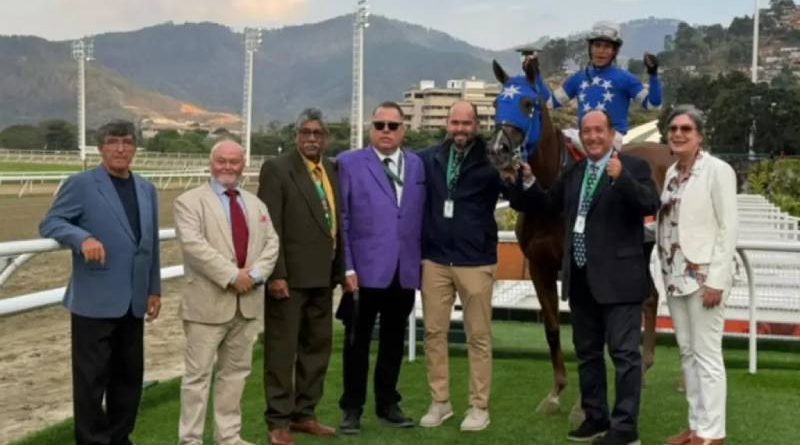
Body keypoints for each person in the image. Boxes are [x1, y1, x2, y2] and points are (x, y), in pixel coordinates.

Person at [509, 110, 660, 445]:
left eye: (598, 130)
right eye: (586, 131)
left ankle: (625, 429)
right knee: (588, 354)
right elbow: (546, 204)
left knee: (624, 355)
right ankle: (595, 418)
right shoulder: (574, 173)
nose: (592, 137)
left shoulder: (633, 167)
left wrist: (622, 178)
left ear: (611, 134)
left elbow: (650, 203)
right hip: (580, 280)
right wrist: (527, 182)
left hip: (620, 281)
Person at [39, 119, 161, 445]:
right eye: (113, 142)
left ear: (135, 147)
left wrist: (154, 289)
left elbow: (150, 245)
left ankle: (120, 438)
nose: (120, 149)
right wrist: (82, 238)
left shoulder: (146, 189)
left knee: (129, 379)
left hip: (134, 301)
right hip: (94, 301)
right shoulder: (80, 184)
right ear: (100, 148)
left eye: (127, 142)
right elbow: (51, 222)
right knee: (91, 382)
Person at [174, 140, 279, 445]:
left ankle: (229, 436)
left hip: (247, 303)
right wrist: (232, 276)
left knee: (235, 374)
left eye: (234, 161)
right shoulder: (188, 202)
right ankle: (190, 439)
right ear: (211, 163)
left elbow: (271, 244)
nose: (228, 167)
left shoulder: (256, 204)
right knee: (197, 377)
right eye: (222, 161)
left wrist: (254, 276)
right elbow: (194, 247)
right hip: (206, 306)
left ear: (243, 165)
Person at [417, 101, 511, 432]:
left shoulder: (492, 159)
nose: (460, 129)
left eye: (466, 123)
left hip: (476, 261)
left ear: (477, 125)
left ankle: (479, 407)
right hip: (435, 260)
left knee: (478, 337)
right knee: (433, 334)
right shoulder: (429, 158)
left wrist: (516, 174)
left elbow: (519, 196)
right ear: (447, 124)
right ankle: (440, 402)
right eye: (455, 123)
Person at [335, 102, 426, 434]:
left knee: (393, 342)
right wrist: (347, 268)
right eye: (379, 125)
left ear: (403, 129)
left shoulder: (416, 165)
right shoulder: (348, 163)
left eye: (392, 125)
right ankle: (352, 408)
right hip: (363, 271)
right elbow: (342, 219)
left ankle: (388, 403)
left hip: (404, 270)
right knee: (356, 343)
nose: (386, 131)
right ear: (370, 128)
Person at [258, 108, 344, 445]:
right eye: (305, 133)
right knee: (282, 352)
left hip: (323, 277)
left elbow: (337, 222)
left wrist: (341, 271)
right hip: (288, 280)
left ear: (326, 138)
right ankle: (278, 421)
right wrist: (276, 275)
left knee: (316, 350)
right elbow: (270, 227)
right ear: (296, 137)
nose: (311, 138)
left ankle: (304, 415)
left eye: (317, 133)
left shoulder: (331, 169)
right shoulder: (277, 169)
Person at [658, 106, 737, 445]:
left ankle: (713, 433)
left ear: (700, 136)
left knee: (707, 355)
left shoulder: (718, 171)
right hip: (674, 276)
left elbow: (728, 227)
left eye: (686, 129)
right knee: (687, 354)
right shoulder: (671, 172)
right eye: (673, 128)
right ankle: (695, 427)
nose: (678, 134)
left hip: (704, 277)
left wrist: (717, 279)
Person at [524, 21, 661, 147]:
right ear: (590, 48)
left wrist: (653, 74)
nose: (601, 51)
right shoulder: (578, 78)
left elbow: (653, 105)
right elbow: (549, 102)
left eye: (607, 47)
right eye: (597, 45)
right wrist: (535, 74)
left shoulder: (626, 78)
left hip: (613, 139)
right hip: (584, 137)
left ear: (615, 51)